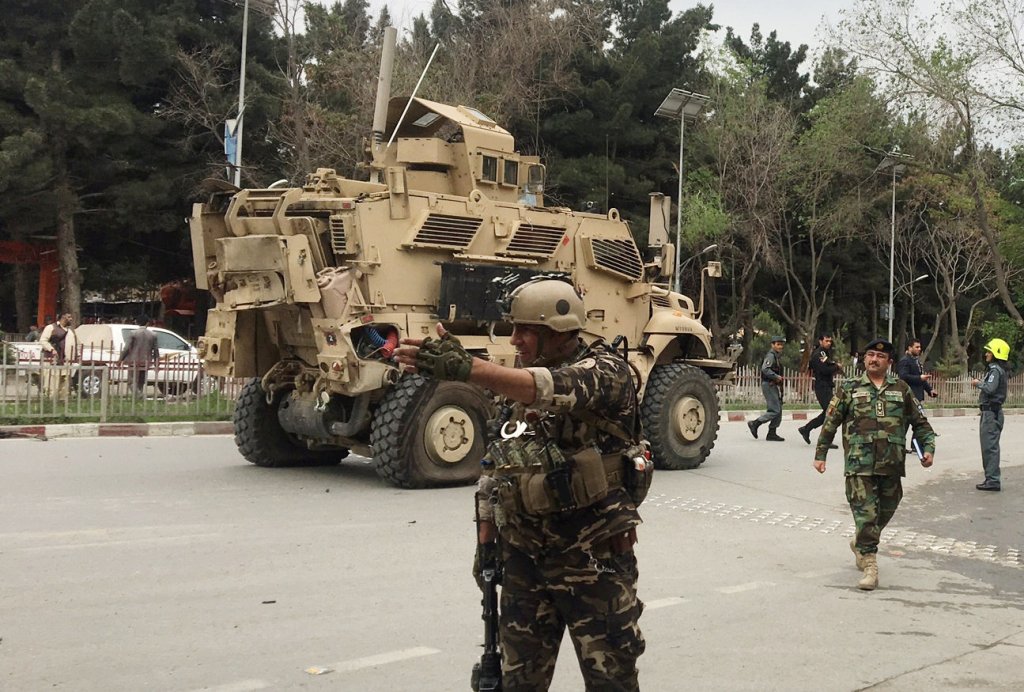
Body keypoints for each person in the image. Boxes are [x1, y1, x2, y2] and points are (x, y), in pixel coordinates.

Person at [394, 278, 647, 691]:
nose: (514, 340)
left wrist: (471, 369)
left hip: (592, 560)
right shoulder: (515, 385)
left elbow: (550, 388)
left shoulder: (608, 373)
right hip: (524, 555)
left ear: (559, 331)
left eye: (525, 330)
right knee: (517, 682)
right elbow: (497, 465)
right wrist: (486, 543)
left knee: (611, 681)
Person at [812, 338, 935, 591]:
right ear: (864, 359)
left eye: (879, 357)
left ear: (889, 362)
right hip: (859, 464)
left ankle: (860, 540)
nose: (873, 360)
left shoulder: (901, 389)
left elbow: (920, 423)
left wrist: (929, 449)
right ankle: (869, 564)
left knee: (886, 510)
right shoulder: (850, 387)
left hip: (892, 465)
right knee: (866, 515)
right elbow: (831, 422)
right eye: (869, 355)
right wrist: (821, 453)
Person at [972, 338, 1009, 492]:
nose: (986, 354)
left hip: (991, 414)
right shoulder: (999, 370)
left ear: (996, 354)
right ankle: (991, 479)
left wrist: (978, 383)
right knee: (989, 447)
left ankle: (993, 480)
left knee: (990, 448)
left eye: (989, 351)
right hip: (992, 413)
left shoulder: (995, 370)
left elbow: (990, 389)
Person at [798, 333, 842, 446]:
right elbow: (824, 370)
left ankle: (806, 429)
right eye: (826, 341)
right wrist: (836, 367)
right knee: (830, 412)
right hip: (822, 387)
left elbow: (827, 365)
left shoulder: (824, 353)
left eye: (830, 341)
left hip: (826, 386)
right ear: (820, 341)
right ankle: (824, 439)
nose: (829, 343)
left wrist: (834, 366)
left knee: (829, 412)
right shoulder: (819, 353)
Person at [748, 336, 786, 441]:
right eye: (778, 344)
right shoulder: (771, 356)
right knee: (774, 410)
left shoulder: (776, 356)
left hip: (773, 384)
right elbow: (765, 369)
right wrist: (776, 376)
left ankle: (772, 433)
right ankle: (755, 423)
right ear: (772, 345)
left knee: (779, 409)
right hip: (769, 384)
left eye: (781, 344)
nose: (780, 346)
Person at [38, 313, 78, 398]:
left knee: (64, 383)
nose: (71, 319)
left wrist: (75, 356)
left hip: (65, 360)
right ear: (62, 318)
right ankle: (50, 400)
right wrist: (51, 349)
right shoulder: (51, 328)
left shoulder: (70, 330)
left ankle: (62, 401)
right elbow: (43, 340)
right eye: (69, 317)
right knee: (52, 382)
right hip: (53, 359)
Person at [119, 315, 160, 396]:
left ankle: (139, 396)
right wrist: (156, 362)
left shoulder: (133, 333)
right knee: (141, 381)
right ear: (147, 323)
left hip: (133, 361)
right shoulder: (153, 335)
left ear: (137, 322)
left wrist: (120, 359)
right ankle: (138, 397)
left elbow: (126, 348)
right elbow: (155, 350)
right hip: (146, 361)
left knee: (131, 382)